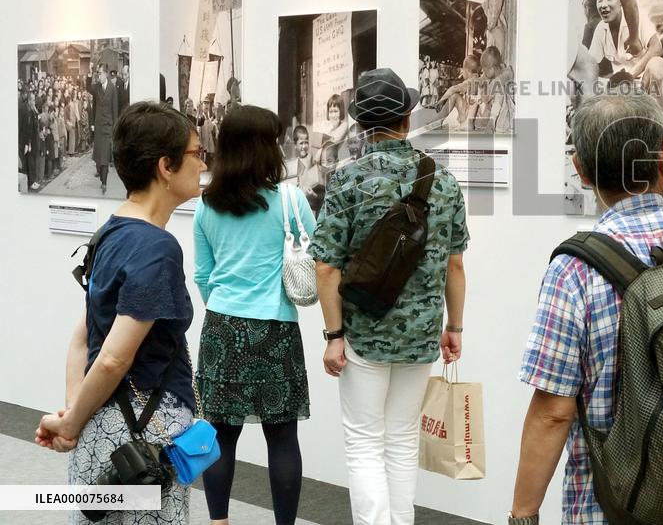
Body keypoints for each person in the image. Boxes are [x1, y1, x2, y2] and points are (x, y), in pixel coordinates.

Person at [510, 92, 663, 525]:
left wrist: (523, 514)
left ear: (582, 172)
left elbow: (553, 412)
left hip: (612, 508)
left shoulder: (574, 272)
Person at [35, 101, 207, 524]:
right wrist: (73, 421)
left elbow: (83, 336)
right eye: (196, 153)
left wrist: (76, 411)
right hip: (141, 434)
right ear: (165, 166)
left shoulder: (108, 233)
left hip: (104, 424)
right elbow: (114, 356)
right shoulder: (156, 247)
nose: (202, 162)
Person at [310, 68, 469, 525]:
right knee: (401, 440)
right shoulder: (442, 181)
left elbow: (325, 265)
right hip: (421, 335)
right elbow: (455, 264)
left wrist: (333, 335)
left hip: (363, 332)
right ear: (406, 118)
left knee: (364, 441)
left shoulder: (347, 181)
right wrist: (453, 327)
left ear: (360, 124)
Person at [193, 105, 314, 525]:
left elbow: (203, 276)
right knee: (282, 437)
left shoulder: (208, 205)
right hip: (277, 330)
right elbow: (314, 257)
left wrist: (228, 306)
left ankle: (219, 522)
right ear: (266, 147)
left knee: (220, 436)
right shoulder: (290, 199)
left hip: (223, 328)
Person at [587, 0, 663, 93]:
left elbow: (657, 47)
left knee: (657, 64)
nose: (603, 5)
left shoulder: (636, 17)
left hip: (643, 85)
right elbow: (590, 64)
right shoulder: (601, 29)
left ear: (621, 0)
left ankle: (656, 110)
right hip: (619, 90)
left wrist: (631, 75)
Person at [91, 65, 120, 194]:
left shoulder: (112, 89)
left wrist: (114, 128)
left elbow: (115, 110)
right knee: (98, 156)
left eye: (100, 73)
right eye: (97, 73)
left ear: (106, 74)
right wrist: (92, 122)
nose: (99, 76)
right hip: (98, 126)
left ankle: (104, 182)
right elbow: (94, 107)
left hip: (108, 127)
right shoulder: (97, 88)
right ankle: (101, 174)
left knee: (104, 155)